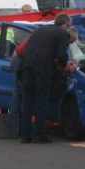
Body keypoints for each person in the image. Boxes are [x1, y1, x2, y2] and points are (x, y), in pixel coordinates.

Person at [19, 14, 73, 143]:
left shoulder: (40, 29)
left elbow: (27, 48)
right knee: (41, 100)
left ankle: (25, 135)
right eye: (68, 26)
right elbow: (61, 56)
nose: (68, 28)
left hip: (26, 66)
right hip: (42, 69)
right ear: (65, 24)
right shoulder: (62, 34)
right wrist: (65, 67)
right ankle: (39, 134)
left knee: (27, 100)